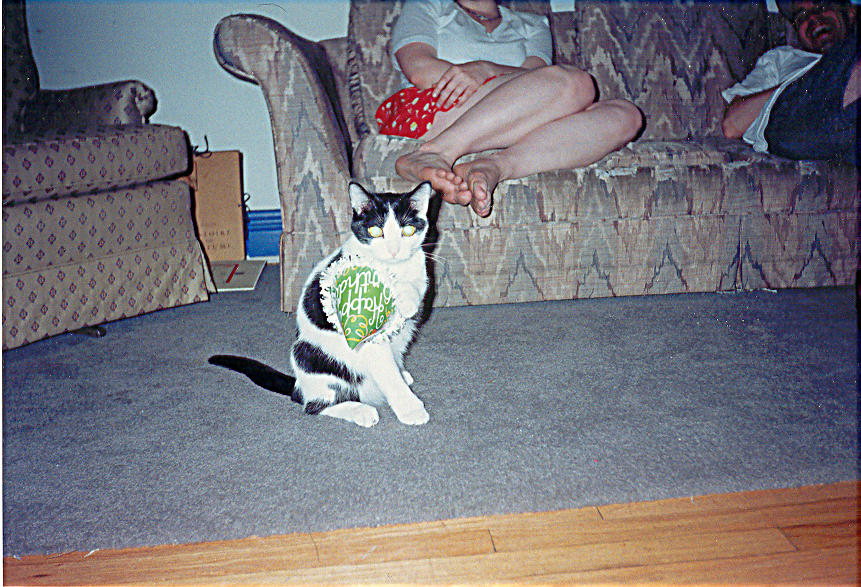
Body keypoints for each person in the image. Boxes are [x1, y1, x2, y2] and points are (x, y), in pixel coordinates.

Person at [379, 0, 644, 217]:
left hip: (513, 121)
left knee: (626, 116)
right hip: (434, 110)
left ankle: (492, 166)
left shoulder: (533, 25)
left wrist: (485, 69)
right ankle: (437, 151)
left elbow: (538, 86)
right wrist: (487, 77)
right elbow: (420, 69)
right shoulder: (429, 5)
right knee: (577, 84)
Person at [721, 0, 859, 165]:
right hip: (795, 127)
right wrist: (800, 82)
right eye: (802, 16)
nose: (813, 18)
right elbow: (732, 125)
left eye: (822, 6)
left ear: (850, 13)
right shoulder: (781, 59)